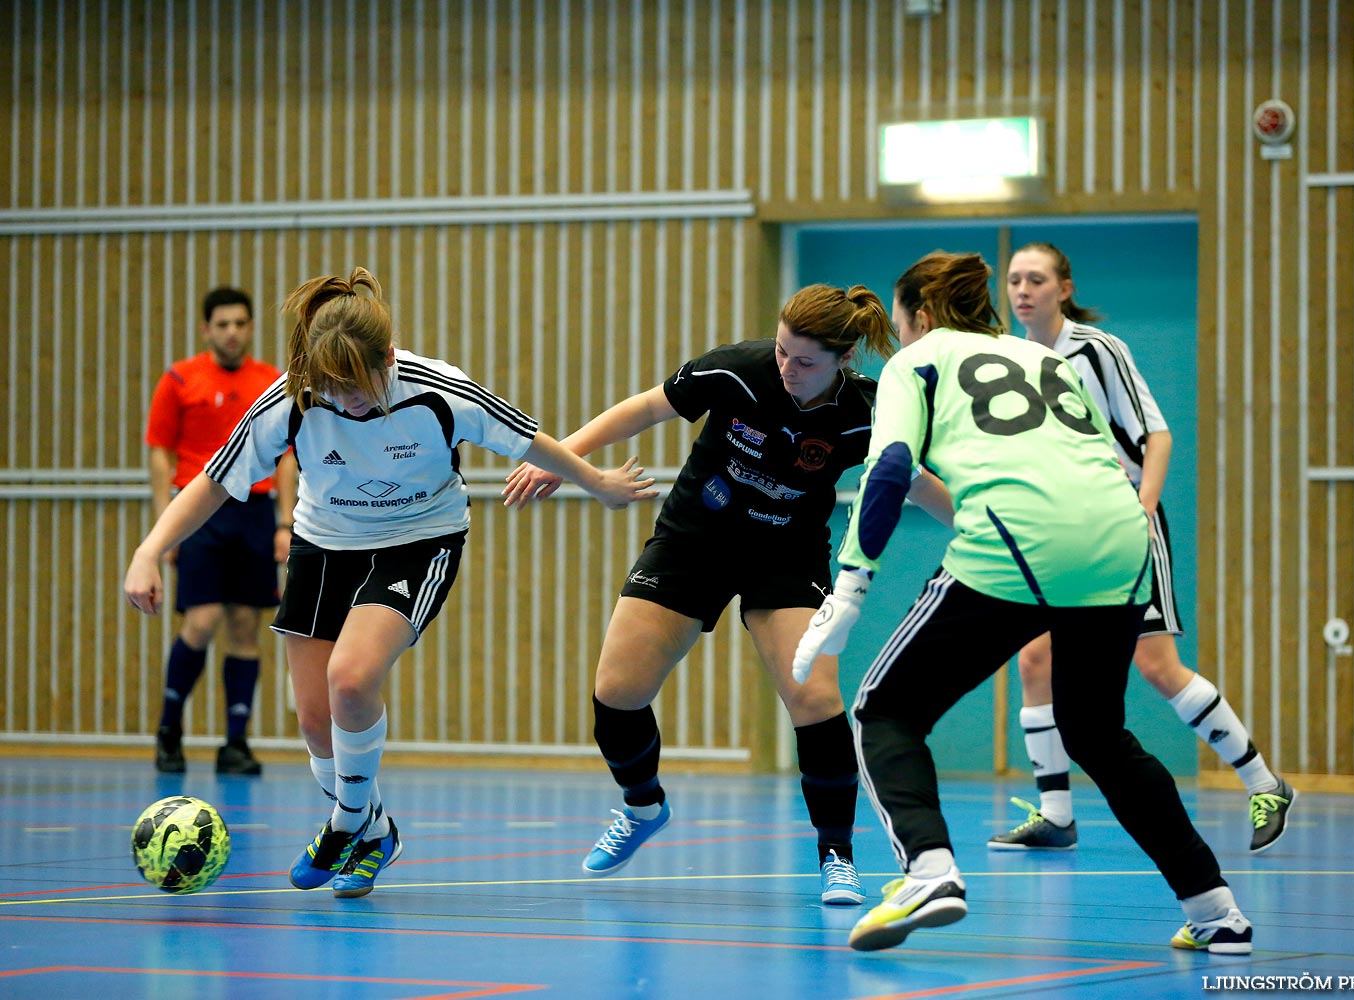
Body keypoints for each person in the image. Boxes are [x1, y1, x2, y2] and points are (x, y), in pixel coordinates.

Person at [125, 268, 656, 898]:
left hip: (419, 539)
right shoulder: (290, 399)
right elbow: (214, 482)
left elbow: (526, 439)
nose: (348, 403)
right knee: (316, 718)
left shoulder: (439, 390)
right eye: (335, 389)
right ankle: (376, 830)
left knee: (351, 677)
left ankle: (346, 822)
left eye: (360, 387)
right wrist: (150, 549)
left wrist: (596, 482)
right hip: (325, 542)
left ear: (387, 358)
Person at [794, 250, 1255, 955]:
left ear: (917, 315)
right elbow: (1086, 461)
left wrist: (851, 585)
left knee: (884, 711)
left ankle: (929, 870)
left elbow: (891, 467)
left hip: (1020, 542)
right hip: (1122, 538)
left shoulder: (912, 363)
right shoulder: (1047, 360)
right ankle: (1216, 909)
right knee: (1097, 733)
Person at [503, 284, 951, 906]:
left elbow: (912, 480)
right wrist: (566, 455)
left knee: (815, 698)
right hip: (694, 540)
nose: (787, 369)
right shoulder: (735, 370)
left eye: (805, 361)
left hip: (786, 556)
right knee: (617, 691)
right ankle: (642, 807)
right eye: (782, 350)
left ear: (844, 359)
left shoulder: (864, 414)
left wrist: (980, 526)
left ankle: (836, 856)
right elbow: (645, 408)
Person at [991, 242, 1294, 854]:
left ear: (1064, 287)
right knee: (1034, 660)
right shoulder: (1011, 358)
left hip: (1122, 523)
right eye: (1015, 280)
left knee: (1155, 666)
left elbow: (1156, 432)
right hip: (1061, 532)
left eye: (1037, 279)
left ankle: (1264, 783)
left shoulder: (1099, 351)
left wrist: (1142, 507)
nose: (1024, 290)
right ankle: (1056, 814)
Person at [145, 287, 296, 776]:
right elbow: (160, 452)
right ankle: (170, 730)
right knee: (202, 620)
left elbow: (289, 455)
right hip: (201, 511)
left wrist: (285, 521)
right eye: (223, 324)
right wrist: (164, 528)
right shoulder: (179, 380)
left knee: (246, 626)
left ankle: (236, 742)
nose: (232, 331)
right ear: (207, 329)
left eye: (241, 323)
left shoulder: (272, 381)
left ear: (251, 328)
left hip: (254, 510)